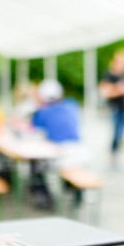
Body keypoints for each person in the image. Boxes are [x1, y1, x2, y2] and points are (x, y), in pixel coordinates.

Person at [29, 79, 87, 209]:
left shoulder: (43, 112)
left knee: (38, 165)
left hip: (62, 153)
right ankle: (73, 190)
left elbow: (33, 131)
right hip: (81, 151)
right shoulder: (72, 105)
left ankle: (45, 197)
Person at [99, 48, 124, 170]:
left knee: (121, 135)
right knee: (115, 134)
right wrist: (120, 89)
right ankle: (111, 160)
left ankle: (116, 160)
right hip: (114, 108)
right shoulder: (109, 75)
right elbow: (105, 92)